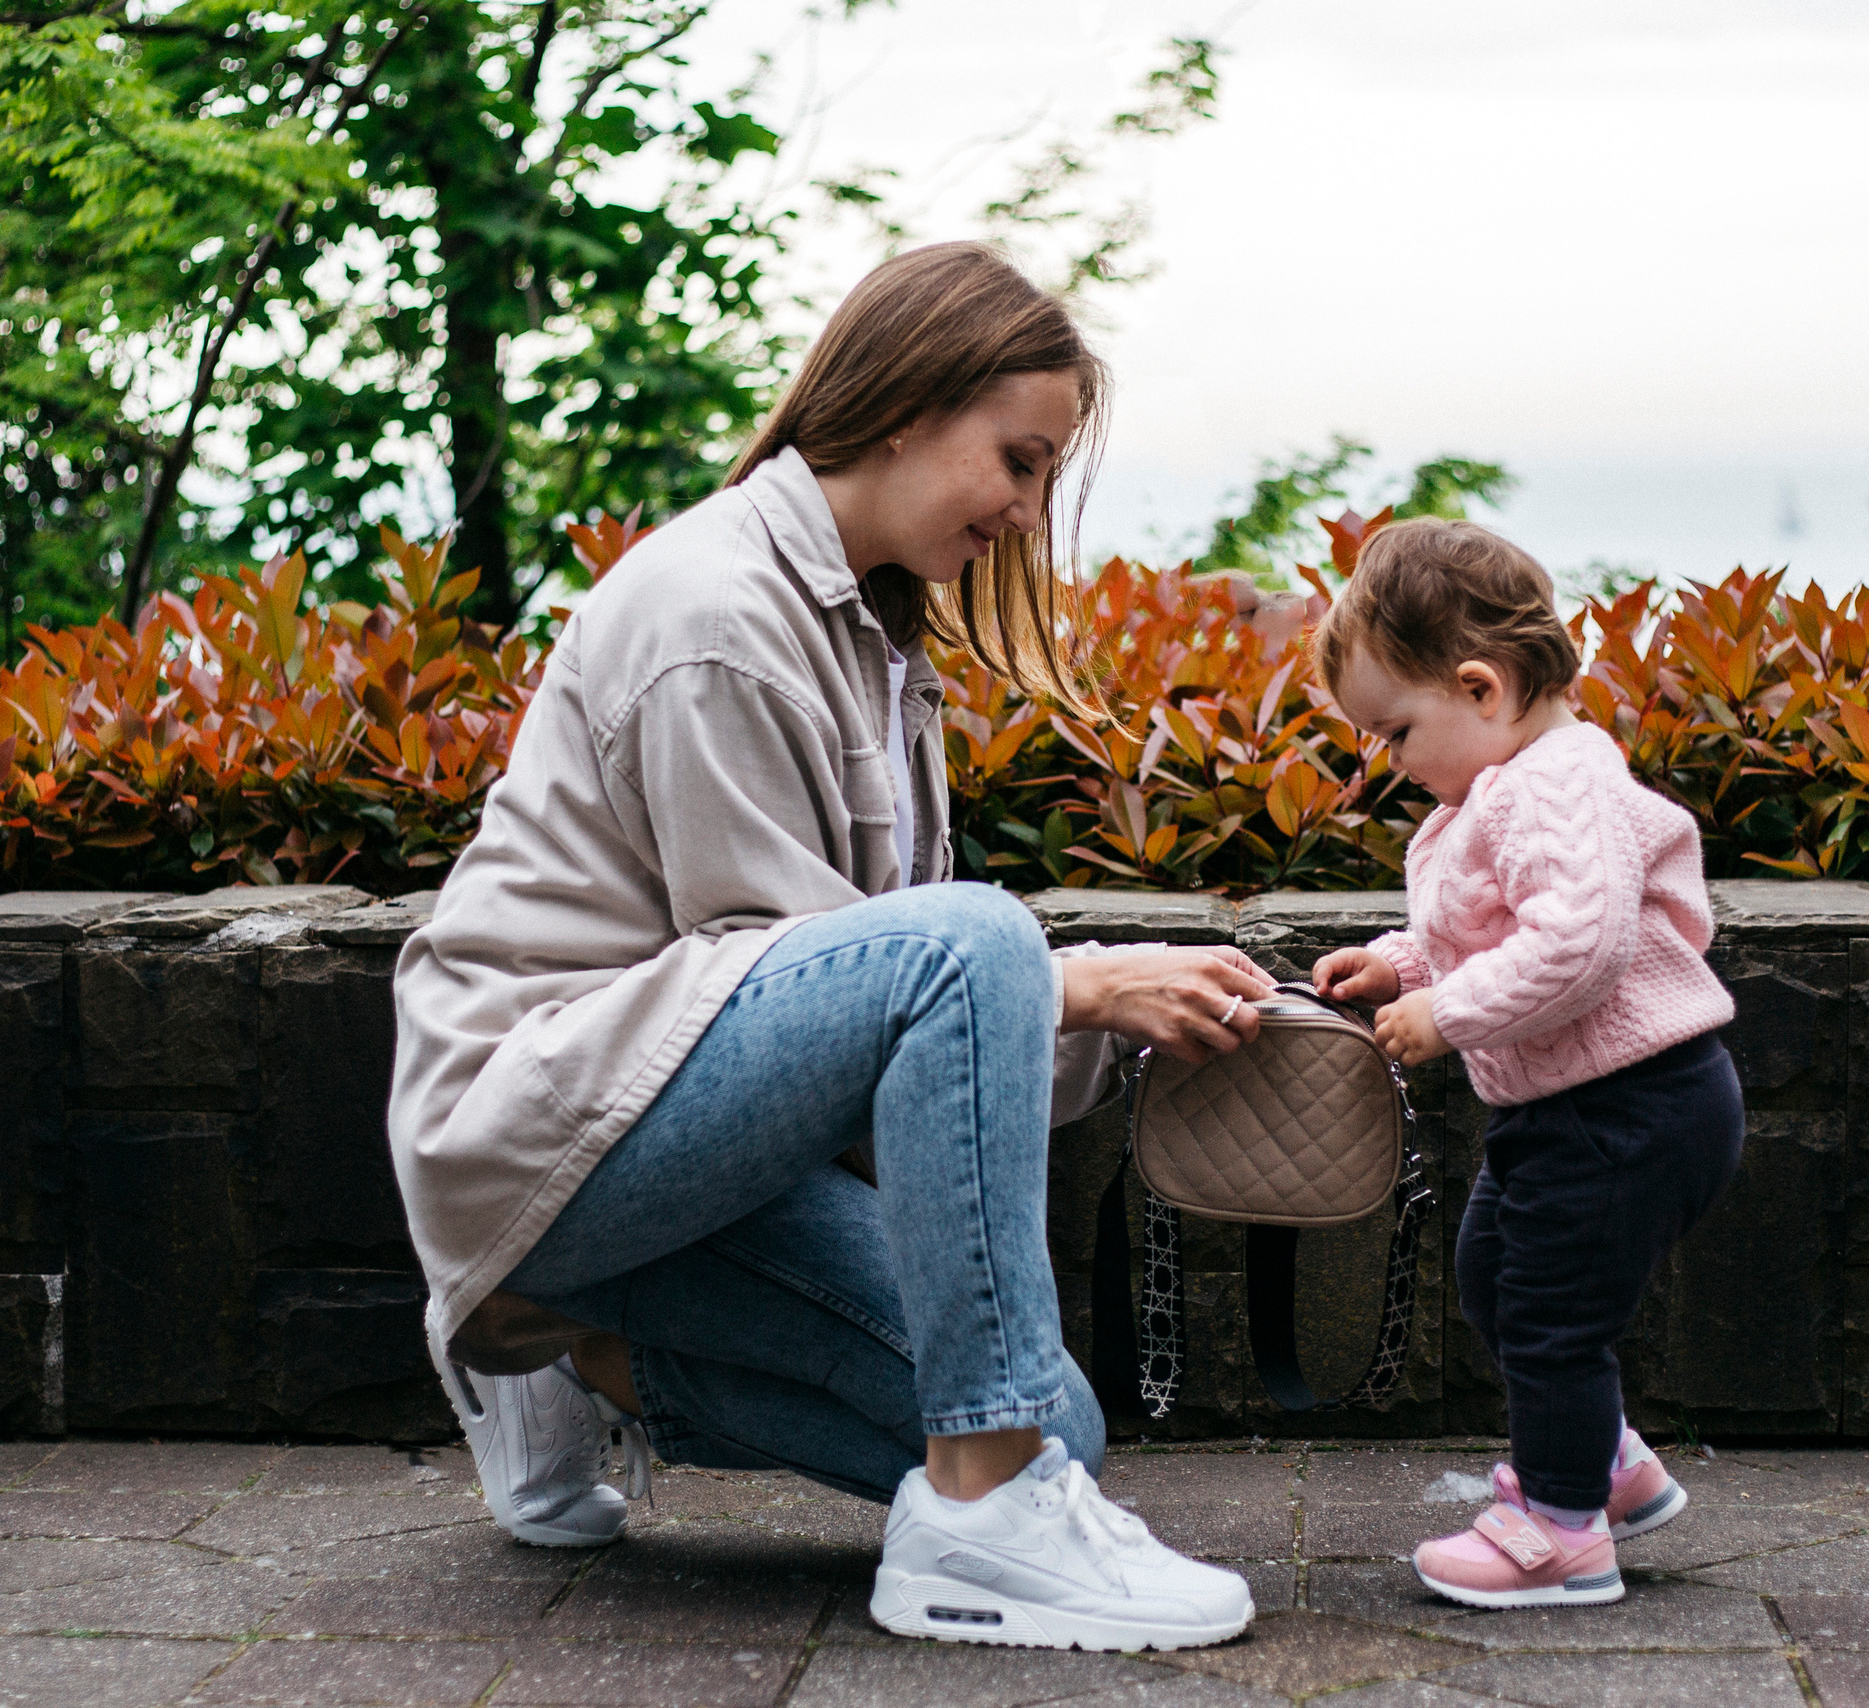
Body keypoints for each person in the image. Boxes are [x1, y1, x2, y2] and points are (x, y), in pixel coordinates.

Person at [386, 242, 1272, 1651]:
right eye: (1021, 461)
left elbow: (890, 1031)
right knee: (973, 950)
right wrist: (1079, 983)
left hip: (686, 1135)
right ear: (908, 407)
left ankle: (588, 1356)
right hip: (541, 1123)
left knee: (1060, 1427)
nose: (1032, 514)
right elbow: (833, 977)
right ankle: (979, 1532)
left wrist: (1085, 1011)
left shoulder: (868, 633)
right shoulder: (716, 615)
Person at [1307, 518, 1743, 1611]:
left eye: (1394, 731)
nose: (1388, 763)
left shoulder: (1554, 784)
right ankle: (1605, 1463)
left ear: (1481, 688)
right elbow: (1493, 923)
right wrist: (1400, 963)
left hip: (1628, 1105)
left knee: (1550, 1314)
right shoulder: (1503, 787)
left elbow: (1576, 945)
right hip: (1582, 1108)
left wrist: (1445, 1014)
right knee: (1494, 1273)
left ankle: (1560, 1531)